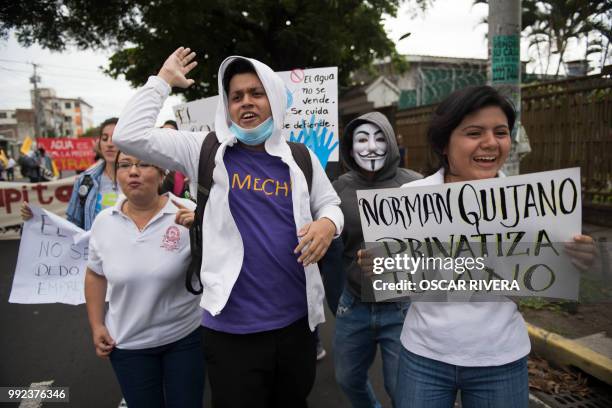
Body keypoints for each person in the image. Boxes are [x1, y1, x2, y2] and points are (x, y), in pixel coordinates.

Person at [113, 47, 344, 408]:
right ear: (227, 105)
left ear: (274, 99)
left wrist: (328, 224)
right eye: (236, 96)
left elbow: (330, 203)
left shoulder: (300, 156)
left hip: (297, 327)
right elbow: (127, 135)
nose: (246, 103)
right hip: (231, 334)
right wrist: (161, 81)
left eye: (256, 93)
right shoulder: (203, 149)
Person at [361, 86, 596, 408]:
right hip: (423, 356)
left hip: (501, 359)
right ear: (444, 143)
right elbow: (393, 278)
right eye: (474, 132)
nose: (490, 142)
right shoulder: (411, 198)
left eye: (500, 132)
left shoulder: (533, 203)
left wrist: (577, 261)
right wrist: (375, 267)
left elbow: (547, 284)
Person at [85, 151, 204, 408]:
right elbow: (95, 273)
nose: (133, 171)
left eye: (144, 164)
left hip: (185, 338)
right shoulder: (104, 222)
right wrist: (96, 326)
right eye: (125, 165)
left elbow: (223, 261)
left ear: (162, 173)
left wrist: (202, 230)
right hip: (128, 344)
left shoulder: (189, 212)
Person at [331, 112, 420, 408]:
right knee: (347, 379)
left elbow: (435, 245)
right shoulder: (337, 189)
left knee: (401, 391)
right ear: (350, 146)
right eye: (362, 139)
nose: (371, 147)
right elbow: (330, 244)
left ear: (392, 143)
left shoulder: (416, 186)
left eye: (380, 138)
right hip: (353, 303)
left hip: (401, 306)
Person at [66, 118, 122, 230]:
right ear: (99, 144)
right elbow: (72, 226)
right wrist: (34, 219)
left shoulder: (139, 179)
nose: (109, 144)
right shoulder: (85, 181)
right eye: (104, 138)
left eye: (115, 138)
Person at [159, 120, 191, 199]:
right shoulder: (155, 160)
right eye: (163, 133)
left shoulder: (187, 161)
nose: (166, 136)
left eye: (170, 133)